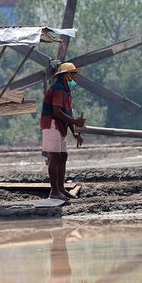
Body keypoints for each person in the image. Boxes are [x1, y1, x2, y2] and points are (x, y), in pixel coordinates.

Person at [41, 63, 85, 202]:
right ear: (66, 76)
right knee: (55, 157)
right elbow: (57, 112)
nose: (76, 76)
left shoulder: (66, 91)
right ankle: (54, 191)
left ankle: (60, 189)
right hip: (52, 124)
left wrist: (74, 132)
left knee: (63, 156)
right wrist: (75, 122)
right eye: (73, 74)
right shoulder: (58, 89)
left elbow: (68, 112)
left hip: (60, 126)